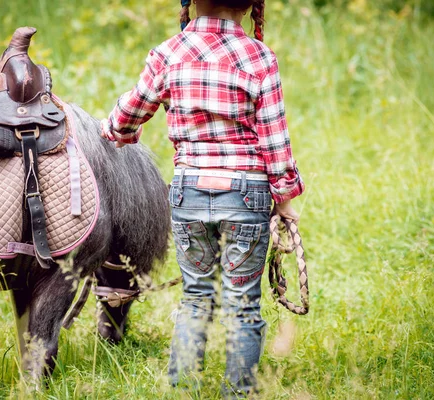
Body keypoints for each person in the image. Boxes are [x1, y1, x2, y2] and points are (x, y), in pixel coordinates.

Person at [100, 0, 304, 396]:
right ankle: (238, 391)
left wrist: (118, 131)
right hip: (246, 194)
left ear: (191, 2)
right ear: (249, 6)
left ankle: (182, 388)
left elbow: (125, 117)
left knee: (196, 297)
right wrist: (284, 201)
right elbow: (275, 140)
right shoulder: (260, 57)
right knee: (243, 305)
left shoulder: (169, 53)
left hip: (190, 192)